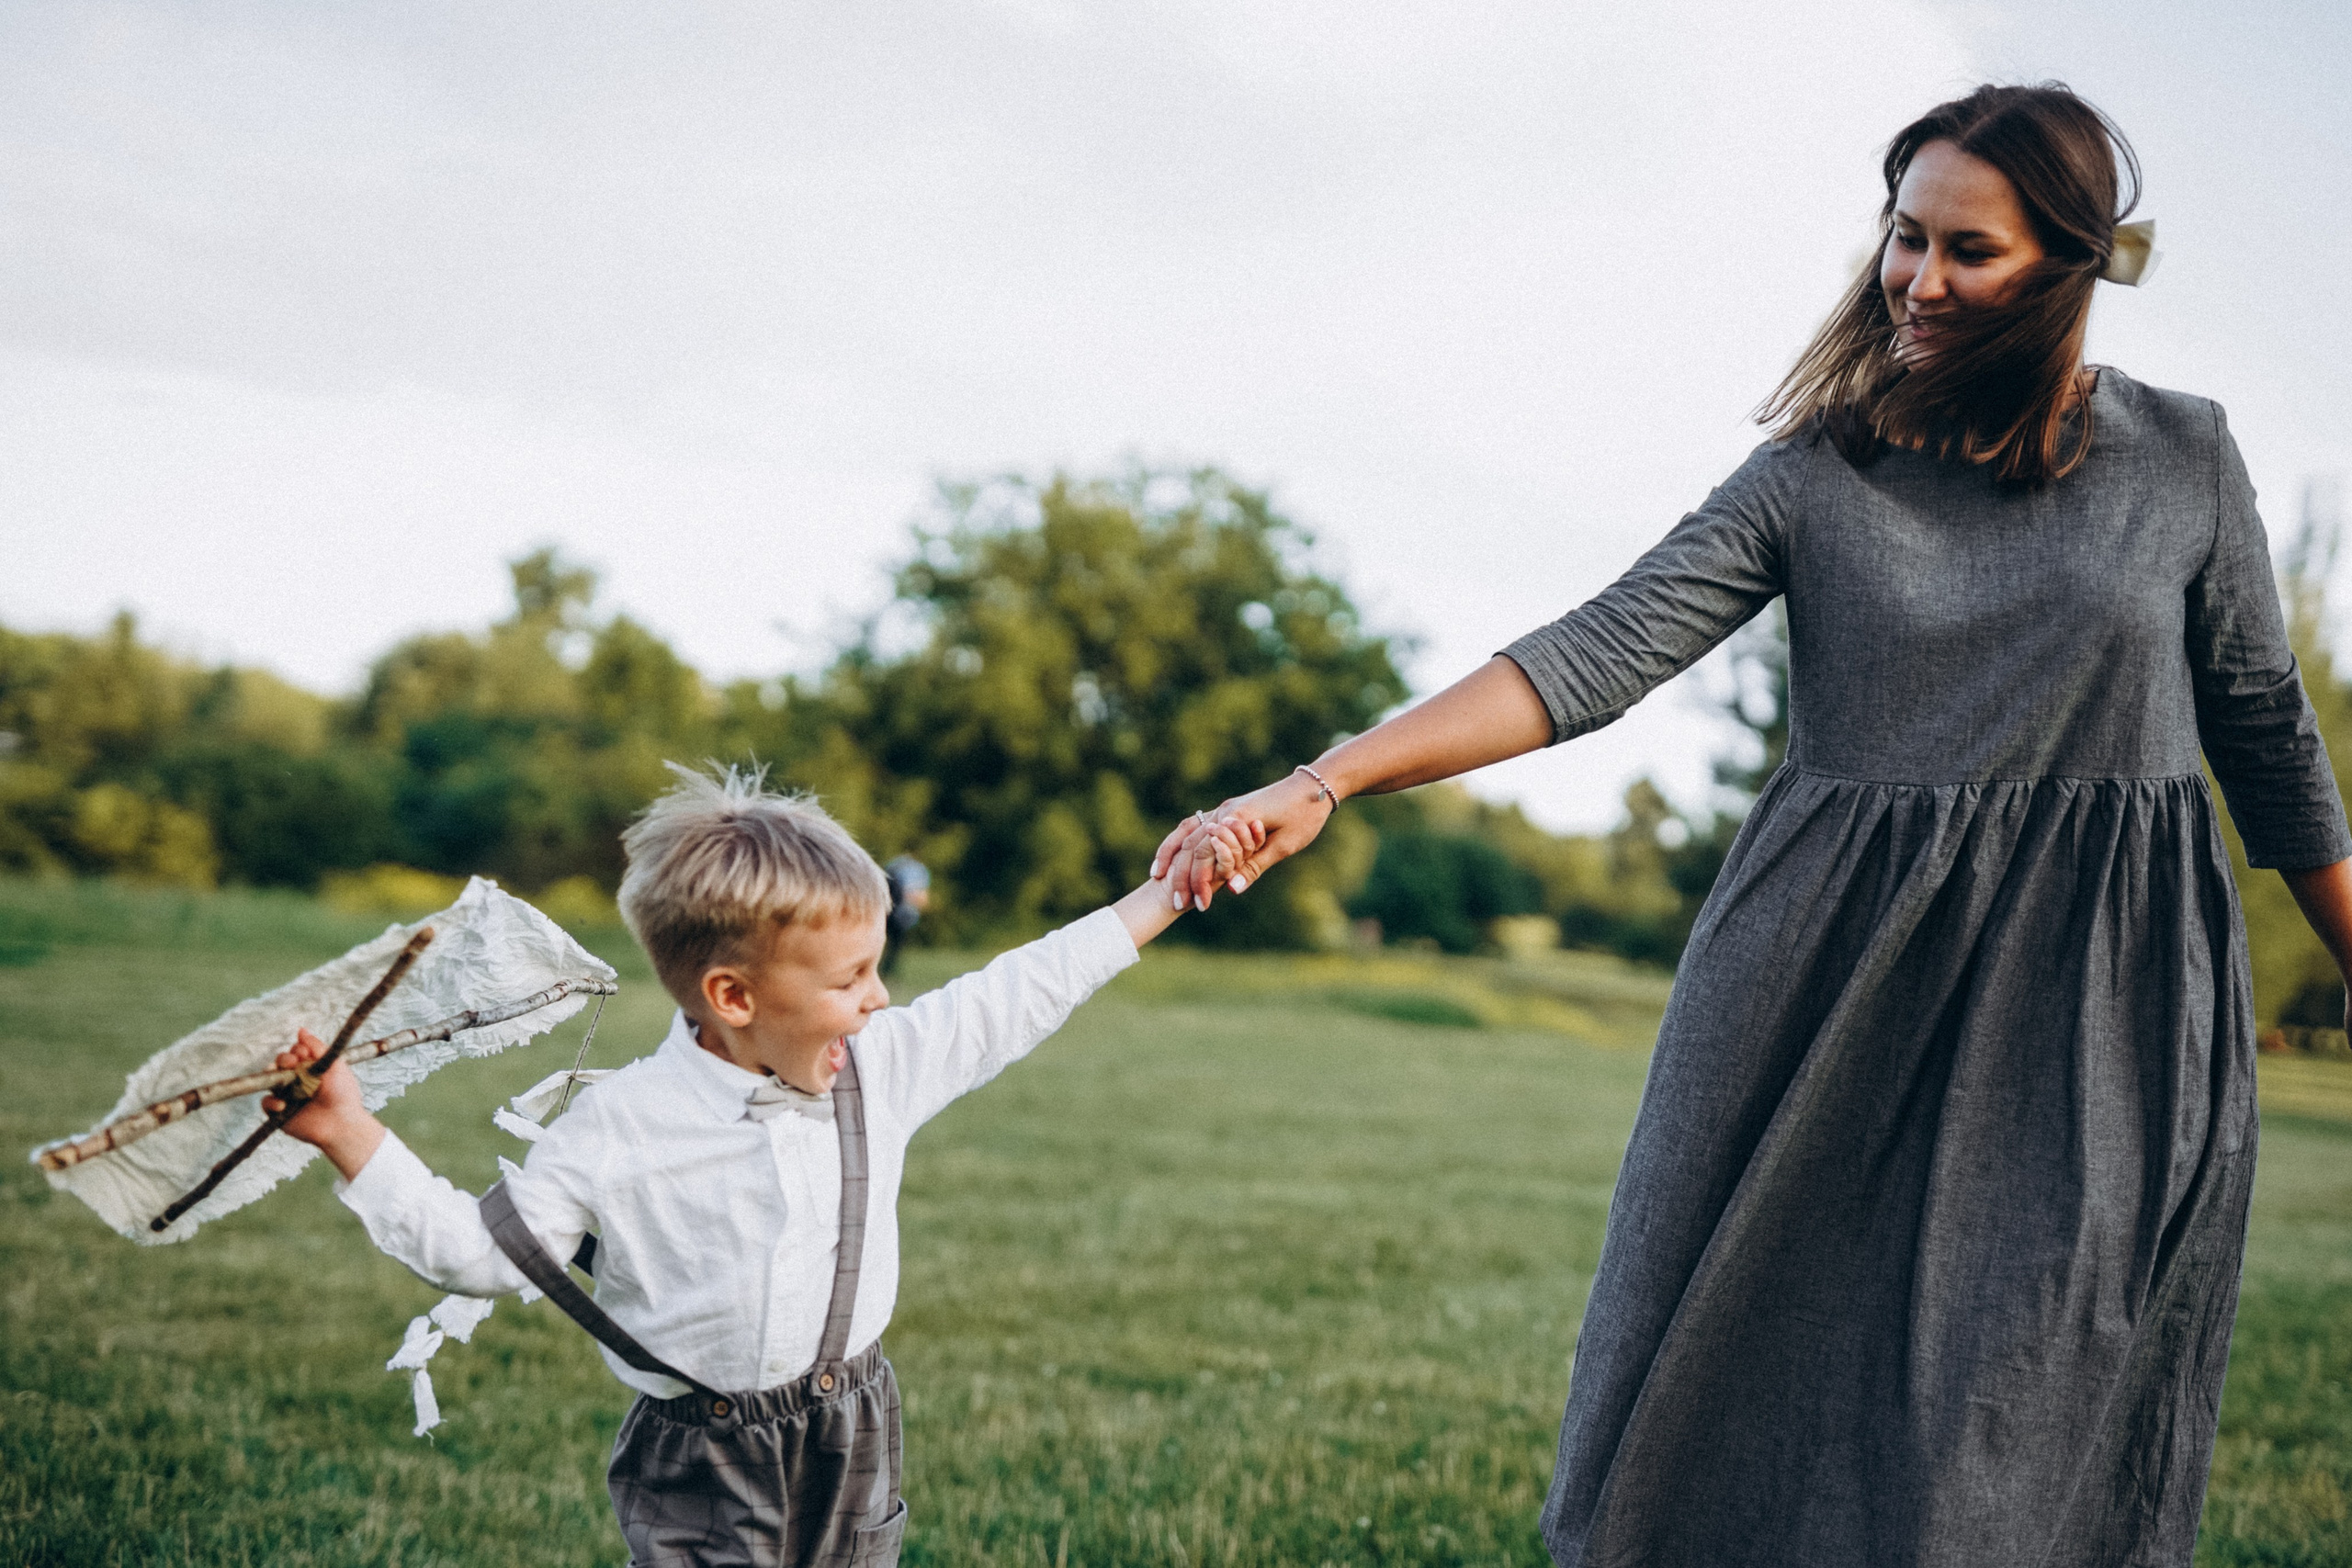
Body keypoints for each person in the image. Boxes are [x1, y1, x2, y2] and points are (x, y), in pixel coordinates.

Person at [1156, 83, 2352, 1567]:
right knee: (1725, 1411)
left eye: (1964, 251)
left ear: (2068, 264)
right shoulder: (1818, 471)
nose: (1915, 280)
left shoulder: (2185, 458)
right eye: (1901, 239)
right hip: (1816, 1000)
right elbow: (1595, 650)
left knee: (1997, 1438)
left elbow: (2272, 744)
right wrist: (1327, 777)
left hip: (2092, 1021)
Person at [266, 764, 1217, 1567]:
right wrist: (349, 1133)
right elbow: (475, 1256)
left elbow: (1024, 988)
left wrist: (1168, 890)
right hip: (700, 1464)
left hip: (852, 1429)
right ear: (733, 995)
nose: (879, 1000)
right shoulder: (618, 1128)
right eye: (850, 980)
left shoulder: (878, 1066)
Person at [879, 854, 930, 980]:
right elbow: (921, 898)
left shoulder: (892, 866)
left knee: (881, 944)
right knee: (895, 947)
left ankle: (881, 972)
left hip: (885, 911)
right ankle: (887, 973)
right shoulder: (918, 870)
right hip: (901, 915)